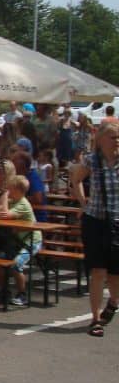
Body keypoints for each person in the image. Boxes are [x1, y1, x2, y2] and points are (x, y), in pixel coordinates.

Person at [68, 122, 119, 337]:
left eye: (118, 137)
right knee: (98, 271)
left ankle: (114, 302)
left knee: (115, 275)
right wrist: (83, 203)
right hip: (95, 220)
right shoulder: (92, 160)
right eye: (113, 137)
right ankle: (95, 319)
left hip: (117, 221)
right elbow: (76, 179)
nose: (117, 141)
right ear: (101, 140)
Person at [0, 175, 41, 306]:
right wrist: (3, 199)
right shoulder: (12, 201)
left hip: (31, 241)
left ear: (17, 189)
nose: (7, 190)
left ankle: (22, 294)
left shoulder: (23, 204)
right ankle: (4, 290)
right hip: (17, 240)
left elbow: (5, 215)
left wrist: (4, 196)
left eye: (10, 188)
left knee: (16, 264)